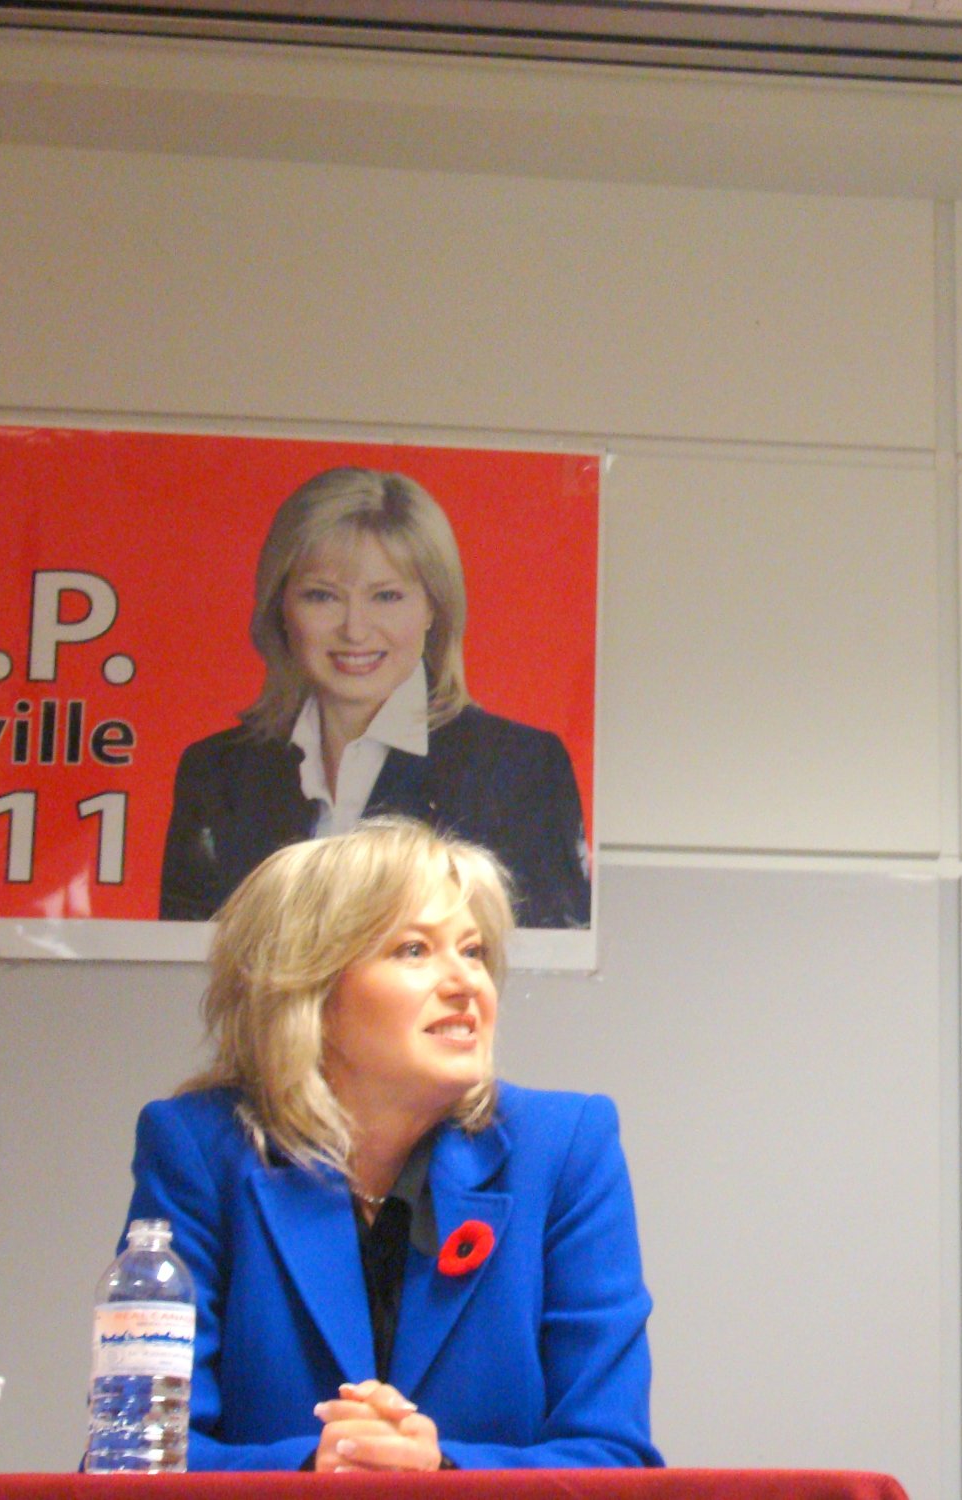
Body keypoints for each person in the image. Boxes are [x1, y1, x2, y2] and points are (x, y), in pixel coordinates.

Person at [119, 816, 660, 1470]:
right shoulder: (200, 1152)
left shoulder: (565, 1149)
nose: (467, 984)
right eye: (414, 950)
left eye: (474, 951)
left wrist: (442, 1472)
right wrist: (317, 1467)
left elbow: (613, 1457)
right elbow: (138, 1456)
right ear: (310, 989)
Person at [160, 467, 591, 928]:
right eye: (322, 596)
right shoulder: (217, 773)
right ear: (280, 608)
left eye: (386, 596)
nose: (355, 630)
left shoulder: (520, 768)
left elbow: (543, 968)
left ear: (432, 609)